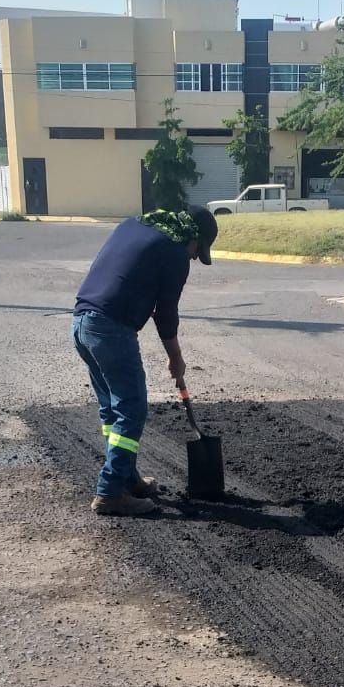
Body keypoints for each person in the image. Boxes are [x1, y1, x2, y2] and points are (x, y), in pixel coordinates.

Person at [72, 205, 218, 516]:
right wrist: (176, 358)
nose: (194, 257)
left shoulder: (134, 225)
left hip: (82, 324)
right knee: (132, 409)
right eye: (198, 250)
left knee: (113, 410)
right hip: (111, 329)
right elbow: (165, 313)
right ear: (192, 236)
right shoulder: (175, 252)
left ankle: (127, 477)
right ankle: (110, 492)